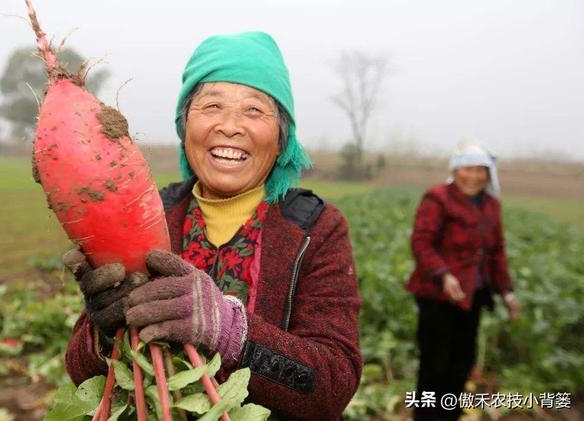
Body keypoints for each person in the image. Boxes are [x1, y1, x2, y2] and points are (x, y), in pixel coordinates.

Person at [62, 32, 362, 420]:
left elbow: (333, 386)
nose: (230, 126)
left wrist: (233, 334)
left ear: (282, 135)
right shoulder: (148, 213)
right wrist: (103, 334)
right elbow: (80, 371)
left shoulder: (315, 228)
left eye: (254, 110)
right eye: (211, 106)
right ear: (184, 125)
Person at [405, 140, 521, 421]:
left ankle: (450, 415)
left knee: (462, 362)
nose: (474, 176)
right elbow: (422, 243)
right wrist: (444, 274)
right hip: (437, 295)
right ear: (456, 171)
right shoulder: (438, 199)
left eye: (481, 170)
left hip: (473, 295)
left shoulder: (491, 206)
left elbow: (496, 251)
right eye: (467, 169)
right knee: (435, 364)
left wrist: (506, 291)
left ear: (489, 174)